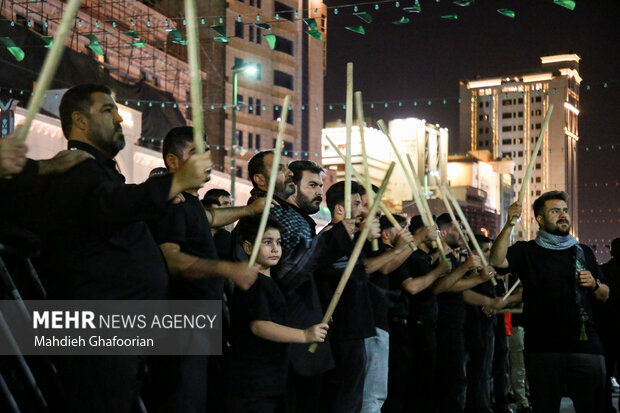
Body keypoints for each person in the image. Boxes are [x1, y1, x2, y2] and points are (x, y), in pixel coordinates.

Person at [7, 84, 212, 413]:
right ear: (80, 121)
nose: (119, 117)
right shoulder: (74, 168)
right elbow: (110, 204)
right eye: (107, 110)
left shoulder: (100, 173)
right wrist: (174, 181)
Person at [147, 126, 261, 412]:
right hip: (183, 320)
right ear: (173, 162)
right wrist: (228, 269)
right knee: (183, 398)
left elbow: (209, 218)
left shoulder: (190, 202)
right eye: (196, 153)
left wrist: (248, 210)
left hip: (199, 320)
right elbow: (171, 258)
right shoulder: (172, 204)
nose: (206, 160)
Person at [490, 191, 609, 413]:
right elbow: (497, 260)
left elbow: (604, 294)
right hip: (543, 348)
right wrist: (509, 224)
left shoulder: (583, 252)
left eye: (564, 210)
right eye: (555, 211)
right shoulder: (526, 251)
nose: (562, 215)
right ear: (540, 219)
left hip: (586, 347)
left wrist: (593, 284)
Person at [224, 215, 328, 413]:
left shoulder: (268, 282)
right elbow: (259, 325)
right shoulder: (253, 282)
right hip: (253, 382)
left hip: (268, 379)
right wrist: (304, 335)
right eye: (267, 242)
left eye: (278, 242)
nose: (275, 248)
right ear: (247, 248)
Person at [315, 180, 378, 413]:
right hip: (341, 329)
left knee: (352, 395)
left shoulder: (346, 239)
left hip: (352, 328)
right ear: (340, 209)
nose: (362, 210)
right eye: (357, 204)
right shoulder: (330, 237)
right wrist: (361, 234)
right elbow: (337, 268)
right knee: (344, 397)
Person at [432, 213, 496, 413]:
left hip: (460, 327)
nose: (463, 233)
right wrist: (476, 278)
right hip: (444, 327)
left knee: (460, 380)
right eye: (457, 228)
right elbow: (445, 286)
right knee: (452, 383)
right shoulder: (439, 258)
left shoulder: (453, 258)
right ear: (443, 232)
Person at [597, 237, 620, 413]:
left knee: (605, 371)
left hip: (606, 329)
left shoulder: (603, 271)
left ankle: (605, 406)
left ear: (611, 252)